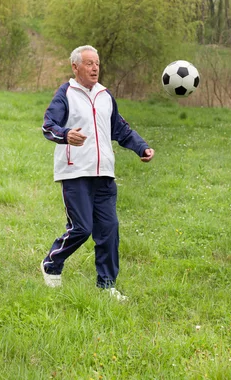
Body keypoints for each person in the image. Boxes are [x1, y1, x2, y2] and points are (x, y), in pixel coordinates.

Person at [40, 45, 154, 300]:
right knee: (81, 227)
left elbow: (121, 129)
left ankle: (106, 286)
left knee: (109, 229)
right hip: (75, 173)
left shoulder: (105, 96)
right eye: (89, 63)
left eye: (97, 64)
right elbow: (48, 127)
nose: (94, 68)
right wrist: (66, 135)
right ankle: (51, 264)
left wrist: (141, 147)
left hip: (104, 174)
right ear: (75, 67)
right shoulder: (65, 93)